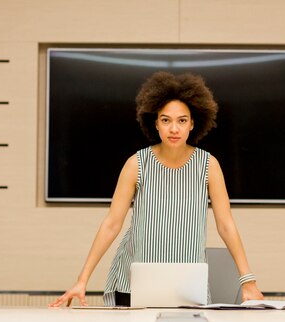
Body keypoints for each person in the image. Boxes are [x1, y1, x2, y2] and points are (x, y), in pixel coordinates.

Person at [49, 71, 264, 307]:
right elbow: (112, 223)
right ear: (156, 123)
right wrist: (82, 280)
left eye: (182, 120)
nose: (174, 128)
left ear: (193, 123)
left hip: (187, 285)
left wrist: (248, 280)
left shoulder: (208, 165)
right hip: (132, 284)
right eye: (166, 120)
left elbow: (226, 225)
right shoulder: (136, 164)